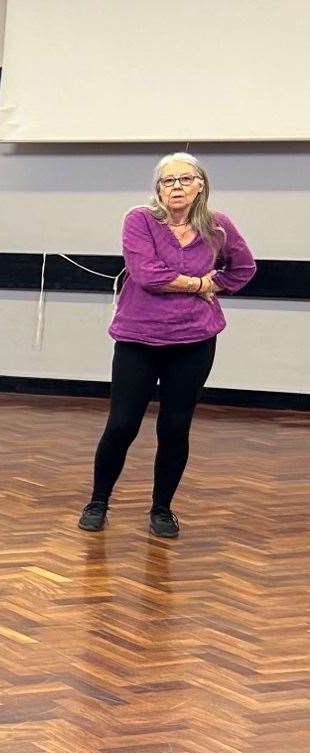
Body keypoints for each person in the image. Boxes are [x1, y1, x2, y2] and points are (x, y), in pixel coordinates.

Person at [78, 152, 256, 538]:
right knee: (122, 424)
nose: (175, 187)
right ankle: (98, 501)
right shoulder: (139, 219)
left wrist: (220, 282)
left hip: (193, 341)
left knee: (175, 427)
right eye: (167, 181)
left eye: (184, 179)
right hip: (138, 339)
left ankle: (162, 509)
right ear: (157, 188)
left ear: (200, 185)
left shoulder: (219, 227)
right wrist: (200, 284)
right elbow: (147, 275)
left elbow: (244, 268)